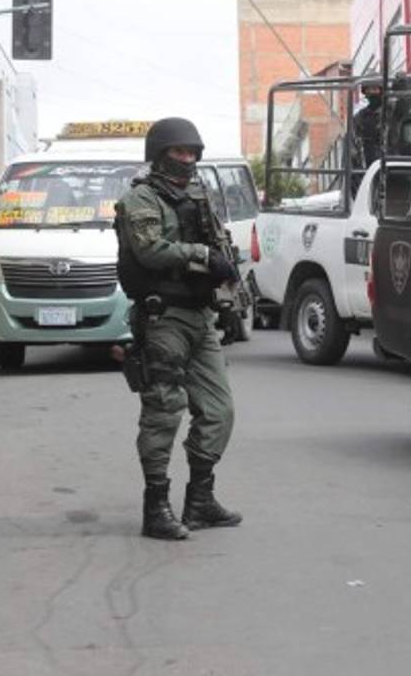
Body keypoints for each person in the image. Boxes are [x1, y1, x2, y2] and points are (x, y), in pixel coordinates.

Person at [115, 117, 242, 541]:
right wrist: (203, 255)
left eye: (192, 153)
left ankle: (200, 501)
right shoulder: (141, 198)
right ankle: (156, 507)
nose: (186, 160)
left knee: (219, 409)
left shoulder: (197, 194)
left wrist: (225, 280)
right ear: (160, 154)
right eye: (178, 152)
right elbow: (150, 250)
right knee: (163, 412)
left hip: (200, 314)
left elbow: (218, 242)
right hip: (163, 315)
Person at [352, 78, 385, 169]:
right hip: (368, 163)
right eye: (368, 90)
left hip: (389, 163)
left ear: (381, 91)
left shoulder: (390, 111)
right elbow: (353, 141)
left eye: (375, 89)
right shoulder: (360, 116)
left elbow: (404, 107)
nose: (372, 93)